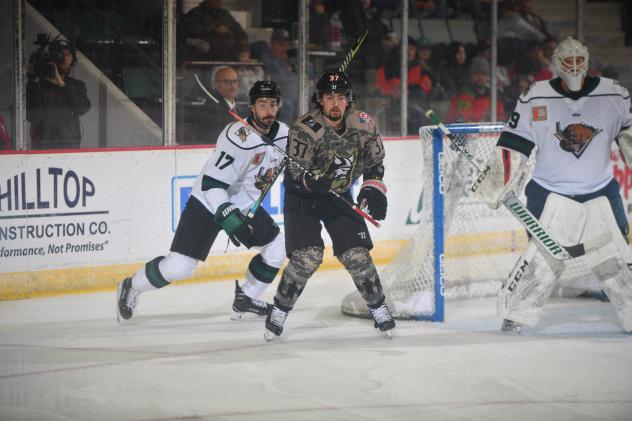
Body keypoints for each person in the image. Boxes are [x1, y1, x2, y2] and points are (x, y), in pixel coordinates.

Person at [486, 37, 632, 333]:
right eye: (568, 61)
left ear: (587, 61)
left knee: (617, 258)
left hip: (601, 191)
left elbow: (628, 135)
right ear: (556, 63)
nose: (574, 66)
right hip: (549, 191)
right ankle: (516, 314)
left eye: (579, 60)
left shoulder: (614, 94)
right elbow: (514, 144)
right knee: (541, 258)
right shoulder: (534, 96)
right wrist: (497, 181)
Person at [117, 81, 288, 322]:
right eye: (262, 105)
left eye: (273, 105)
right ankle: (131, 285)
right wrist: (231, 220)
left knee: (277, 247)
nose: (268, 111)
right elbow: (212, 184)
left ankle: (246, 299)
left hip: (245, 206)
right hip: (207, 203)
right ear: (251, 106)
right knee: (180, 266)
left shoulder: (283, 134)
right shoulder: (236, 137)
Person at [264, 70, 395, 340]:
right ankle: (279, 310)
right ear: (320, 100)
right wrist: (312, 184)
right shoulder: (304, 129)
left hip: (338, 195)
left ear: (349, 100)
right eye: (329, 97)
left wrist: (374, 188)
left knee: (357, 254)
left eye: (341, 97)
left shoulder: (364, 124)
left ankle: (378, 307)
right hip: (303, 198)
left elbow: (374, 163)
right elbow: (295, 174)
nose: (335, 104)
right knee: (307, 257)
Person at [26, 38, 90, 149]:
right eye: (60, 55)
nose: (64, 59)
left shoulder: (77, 85)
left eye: (67, 55)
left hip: (70, 145)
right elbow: (33, 117)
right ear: (52, 58)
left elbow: (82, 109)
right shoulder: (38, 85)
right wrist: (34, 80)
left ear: (73, 59)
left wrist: (62, 85)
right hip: (42, 146)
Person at [187, 66, 248, 144]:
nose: (233, 86)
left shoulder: (240, 108)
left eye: (235, 81)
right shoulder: (209, 109)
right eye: (227, 82)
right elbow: (214, 137)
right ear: (216, 84)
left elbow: (243, 138)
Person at [446, 56, 506, 123]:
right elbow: (461, 118)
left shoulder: (493, 94)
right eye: (476, 74)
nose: (480, 77)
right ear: (471, 76)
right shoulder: (463, 94)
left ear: (488, 77)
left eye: (483, 74)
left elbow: (501, 118)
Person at [183, 0, 248, 61]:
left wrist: (230, 33)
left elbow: (241, 33)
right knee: (230, 46)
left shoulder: (225, 14)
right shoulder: (195, 13)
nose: (218, 1)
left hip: (232, 46)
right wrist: (214, 31)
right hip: (208, 49)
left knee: (254, 47)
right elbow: (191, 33)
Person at [259, 29, 299, 123]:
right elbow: (282, 79)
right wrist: (288, 69)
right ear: (272, 44)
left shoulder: (289, 60)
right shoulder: (266, 59)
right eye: (281, 44)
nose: (284, 48)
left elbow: (307, 72)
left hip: (292, 95)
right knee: (288, 105)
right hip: (274, 96)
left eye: (286, 45)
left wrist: (290, 65)